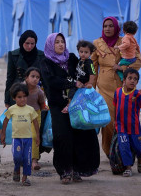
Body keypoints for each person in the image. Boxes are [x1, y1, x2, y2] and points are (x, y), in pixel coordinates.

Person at [40, 33, 100, 184]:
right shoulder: (45, 62)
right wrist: (73, 83)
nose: (61, 45)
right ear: (50, 45)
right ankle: (65, 171)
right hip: (58, 104)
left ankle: (77, 169)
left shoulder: (73, 58)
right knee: (62, 136)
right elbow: (51, 81)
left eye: (62, 42)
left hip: (77, 103)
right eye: (57, 42)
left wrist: (88, 81)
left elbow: (85, 72)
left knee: (80, 134)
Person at [91, 16, 141, 158]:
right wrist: (91, 89)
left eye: (110, 26)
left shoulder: (126, 40)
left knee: (124, 119)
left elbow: (138, 61)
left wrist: (122, 67)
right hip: (104, 88)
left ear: (116, 28)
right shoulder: (96, 43)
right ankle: (109, 151)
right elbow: (93, 68)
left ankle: (126, 149)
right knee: (108, 120)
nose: (107, 29)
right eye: (105, 26)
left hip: (123, 88)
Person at [112, 68, 141, 177]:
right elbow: (115, 106)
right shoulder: (118, 92)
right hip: (121, 127)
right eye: (130, 78)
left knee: (137, 146)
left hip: (134, 127)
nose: (132, 81)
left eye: (135, 79)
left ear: (137, 82)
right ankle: (128, 168)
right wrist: (115, 120)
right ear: (124, 80)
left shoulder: (137, 94)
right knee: (124, 147)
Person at [0, 83, 40, 187]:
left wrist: (38, 136)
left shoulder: (30, 109)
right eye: (19, 97)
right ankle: (16, 169)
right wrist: (3, 134)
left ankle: (25, 178)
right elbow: (5, 121)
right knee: (17, 157)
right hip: (16, 138)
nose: (22, 99)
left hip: (28, 139)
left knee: (27, 159)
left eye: (24, 96)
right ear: (14, 98)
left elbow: (35, 122)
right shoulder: (12, 109)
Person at [5, 30, 45, 108]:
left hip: (35, 93)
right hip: (18, 91)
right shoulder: (13, 55)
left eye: (32, 44)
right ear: (22, 42)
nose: (30, 46)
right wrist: (7, 100)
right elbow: (10, 78)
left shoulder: (41, 56)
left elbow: (44, 78)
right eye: (27, 43)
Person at [61, 40, 96, 113]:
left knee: (75, 94)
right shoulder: (80, 60)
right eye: (81, 52)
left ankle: (69, 106)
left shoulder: (89, 63)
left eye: (86, 52)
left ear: (90, 53)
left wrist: (90, 83)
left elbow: (92, 74)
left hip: (84, 84)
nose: (83, 54)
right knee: (71, 92)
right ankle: (71, 104)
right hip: (77, 82)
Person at [23, 67, 46, 170]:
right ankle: (22, 157)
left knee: (34, 136)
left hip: (35, 115)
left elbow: (42, 104)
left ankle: (34, 160)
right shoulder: (20, 89)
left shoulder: (39, 92)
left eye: (38, 77)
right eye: (32, 76)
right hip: (22, 115)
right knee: (22, 135)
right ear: (26, 78)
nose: (35, 79)